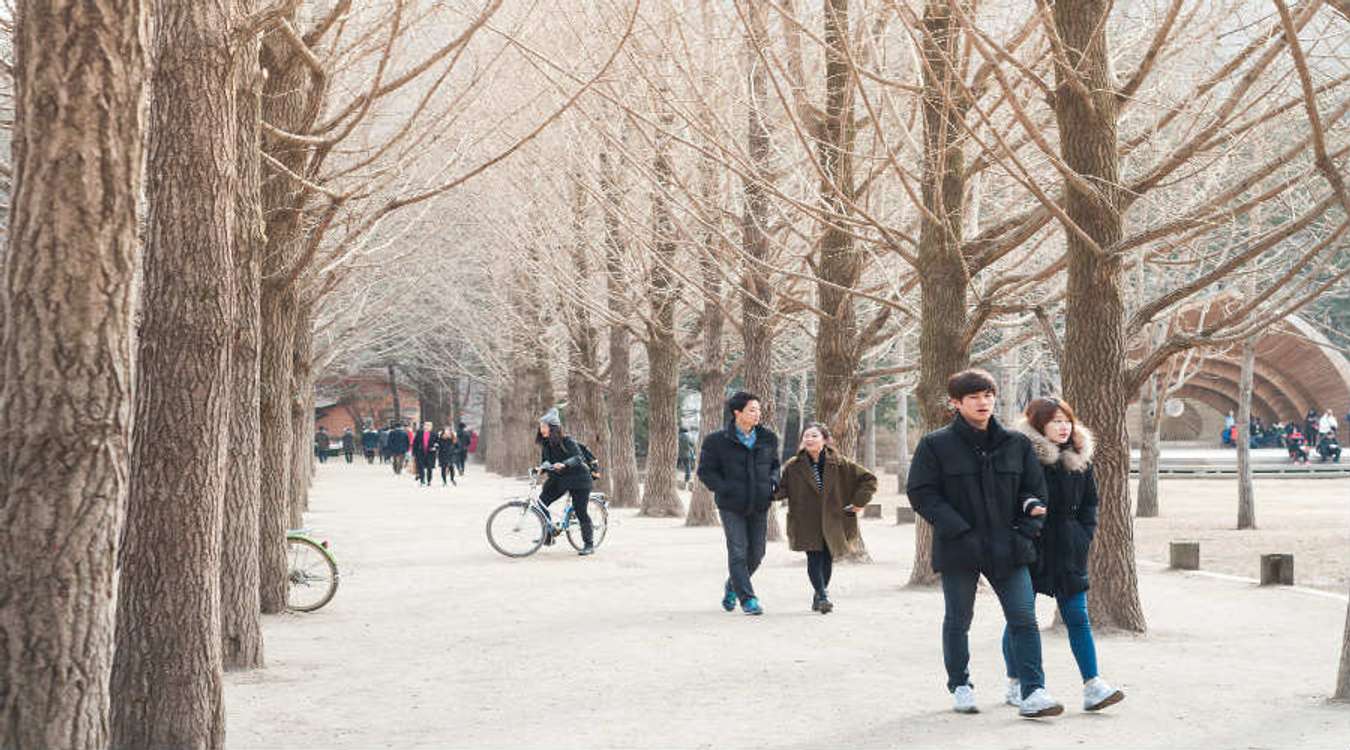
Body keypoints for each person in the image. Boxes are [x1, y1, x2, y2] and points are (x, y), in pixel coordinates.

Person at [906, 368, 1062, 718]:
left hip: (1010, 546)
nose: (983, 402)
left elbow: (1034, 490)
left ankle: (1032, 689)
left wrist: (1025, 529)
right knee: (959, 618)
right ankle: (960, 684)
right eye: (974, 396)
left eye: (988, 395)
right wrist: (957, 529)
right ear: (956, 403)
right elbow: (921, 492)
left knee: (1023, 617)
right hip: (960, 546)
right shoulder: (936, 444)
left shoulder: (1016, 443)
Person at [1010, 397, 1125, 713]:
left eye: (1067, 420)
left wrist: (1083, 534)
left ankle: (1093, 685)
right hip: (1031, 547)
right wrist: (1024, 532)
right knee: (1021, 617)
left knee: (1077, 616)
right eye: (1055, 420)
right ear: (1038, 424)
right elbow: (1010, 499)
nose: (1063, 426)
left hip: (1069, 549)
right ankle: (1016, 682)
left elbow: (1091, 504)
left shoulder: (1079, 459)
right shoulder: (1021, 456)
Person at [773, 422, 876, 614]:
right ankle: (823, 595)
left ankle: (819, 595)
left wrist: (859, 503)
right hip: (805, 519)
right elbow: (782, 490)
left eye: (814, 436)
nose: (809, 439)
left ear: (824, 440)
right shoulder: (793, 466)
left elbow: (869, 479)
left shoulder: (840, 463)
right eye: (806, 436)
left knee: (827, 558)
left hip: (834, 519)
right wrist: (766, 491)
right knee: (813, 556)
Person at [696, 391, 780, 616]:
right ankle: (748, 599)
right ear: (737, 413)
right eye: (752, 410)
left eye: (758, 410)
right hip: (731, 505)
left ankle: (732, 585)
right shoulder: (716, 441)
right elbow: (705, 471)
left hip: (760, 503)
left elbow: (774, 466)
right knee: (738, 551)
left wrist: (773, 482)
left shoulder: (768, 438)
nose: (757, 414)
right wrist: (725, 489)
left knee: (758, 553)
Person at [536, 408, 595, 556]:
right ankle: (548, 535)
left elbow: (578, 457)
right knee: (542, 502)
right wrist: (540, 469)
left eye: (544, 426)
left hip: (579, 480)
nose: (541, 429)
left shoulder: (567, 441)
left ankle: (589, 544)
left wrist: (565, 464)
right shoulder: (546, 444)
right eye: (541, 426)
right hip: (559, 480)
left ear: (553, 427)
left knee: (580, 511)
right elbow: (546, 462)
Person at [411, 421, 437, 487]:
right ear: (423, 426)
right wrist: (414, 452)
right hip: (420, 453)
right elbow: (415, 443)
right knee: (421, 467)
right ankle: (422, 480)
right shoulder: (419, 433)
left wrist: (435, 447)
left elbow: (437, 443)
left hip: (430, 454)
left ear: (431, 427)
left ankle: (429, 481)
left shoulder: (434, 434)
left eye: (429, 425)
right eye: (426, 425)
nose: (427, 427)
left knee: (429, 468)